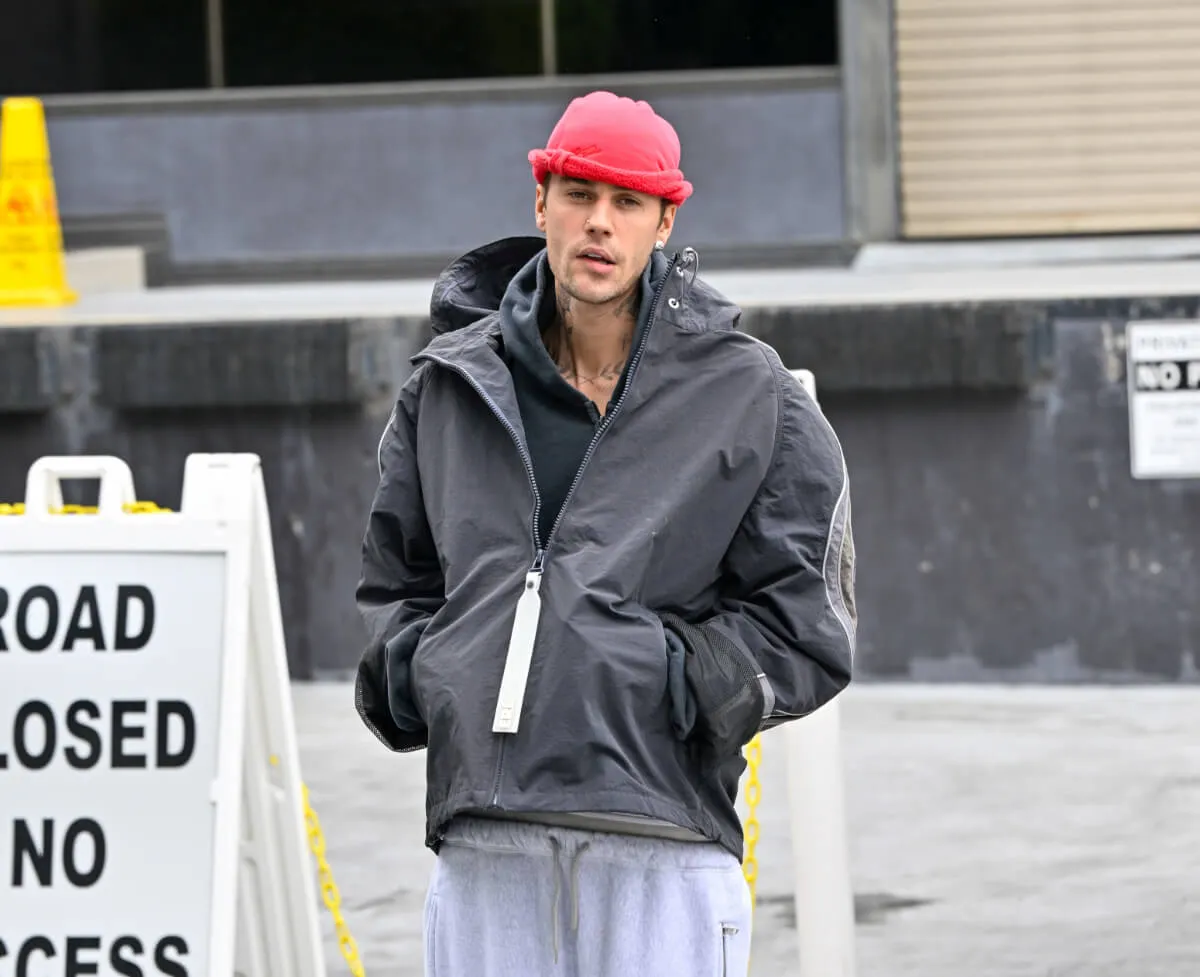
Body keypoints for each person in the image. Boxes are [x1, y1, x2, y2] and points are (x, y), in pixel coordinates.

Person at [354, 89, 856, 977]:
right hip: (484, 837)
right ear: (539, 200)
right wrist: (432, 671)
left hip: (661, 830)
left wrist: (664, 676)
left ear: (665, 222)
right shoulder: (447, 386)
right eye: (580, 194)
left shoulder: (751, 394)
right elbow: (399, 582)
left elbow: (808, 623)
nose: (599, 223)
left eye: (628, 202)